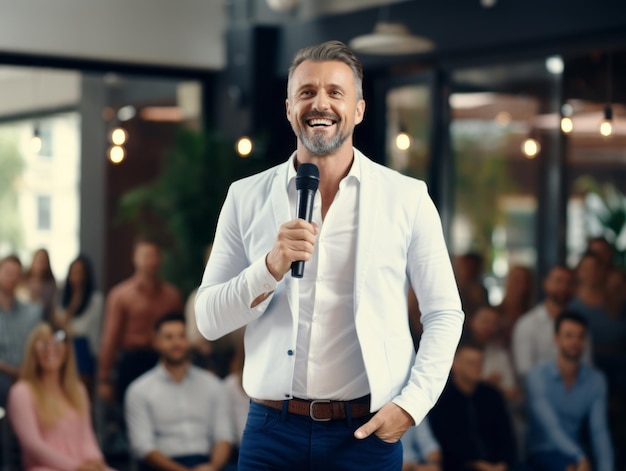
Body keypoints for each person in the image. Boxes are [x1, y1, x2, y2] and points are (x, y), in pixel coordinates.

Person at [194, 40, 464, 471]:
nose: (320, 103)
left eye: (335, 92)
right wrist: (268, 268)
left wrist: (412, 406)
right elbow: (207, 319)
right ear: (289, 108)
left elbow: (445, 313)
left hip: (365, 435)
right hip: (270, 432)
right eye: (307, 92)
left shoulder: (407, 198)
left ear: (358, 108)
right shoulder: (244, 197)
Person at [125, 313, 232, 471]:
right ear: (156, 342)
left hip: (208, 463)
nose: (176, 343)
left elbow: (224, 435)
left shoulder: (213, 385)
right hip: (163, 465)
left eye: (182, 336)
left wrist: (213, 467)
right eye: (169, 337)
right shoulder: (139, 390)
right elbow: (142, 446)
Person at [7, 322, 115, 471]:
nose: (51, 350)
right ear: (33, 352)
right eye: (44, 345)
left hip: (83, 463)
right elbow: (33, 445)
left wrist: (96, 460)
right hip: (45, 467)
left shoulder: (78, 390)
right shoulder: (22, 392)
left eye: (57, 344)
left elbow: (87, 435)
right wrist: (76, 467)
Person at [98, 236, 183, 406]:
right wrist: (104, 377)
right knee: (129, 413)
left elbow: (181, 333)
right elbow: (110, 337)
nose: (151, 261)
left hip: (163, 360)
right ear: (135, 259)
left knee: (164, 409)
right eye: (146, 256)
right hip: (131, 361)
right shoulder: (121, 295)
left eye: (154, 256)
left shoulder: (172, 295)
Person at [525, 310, 614, 471]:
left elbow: (599, 430)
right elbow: (551, 427)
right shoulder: (537, 377)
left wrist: (606, 468)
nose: (575, 342)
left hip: (577, 452)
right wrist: (579, 456)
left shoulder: (595, 380)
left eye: (580, 336)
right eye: (569, 335)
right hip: (542, 451)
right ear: (556, 339)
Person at [428, 341, 518, 471]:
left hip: (499, 465)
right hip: (460, 466)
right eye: (471, 363)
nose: (477, 367)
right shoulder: (441, 398)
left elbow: (506, 436)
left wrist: (503, 463)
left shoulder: (492, 395)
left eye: (480, 363)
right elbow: (446, 441)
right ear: (454, 364)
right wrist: (476, 464)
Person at [511, 264, 590, 378]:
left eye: (568, 282)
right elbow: (525, 371)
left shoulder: (580, 323)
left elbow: (587, 365)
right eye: (558, 281)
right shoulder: (526, 324)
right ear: (546, 283)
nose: (563, 287)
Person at [0, 255, 42, 409]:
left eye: (17, 274)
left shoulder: (31, 312)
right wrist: (14, 371)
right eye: (8, 272)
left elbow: (38, 346)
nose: (12, 278)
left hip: (28, 373)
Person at [56, 254, 104, 388]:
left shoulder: (95, 299)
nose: (77, 276)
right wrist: (73, 304)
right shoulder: (63, 297)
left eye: (80, 272)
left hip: (85, 349)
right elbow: (59, 323)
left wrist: (66, 326)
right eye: (73, 272)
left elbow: (81, 329)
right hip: (65, 346)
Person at [466, 306, 518, 402]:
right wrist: (486, 385)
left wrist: (492, 389)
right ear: (471, 321)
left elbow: (513, 394)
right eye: (484, 321)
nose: (488, 327)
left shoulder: (501, 355)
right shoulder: (455, 353)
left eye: (493, 323)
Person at [495, 266, 533, 348]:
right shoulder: (495, 312)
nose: (518, 284)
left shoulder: (532, 316)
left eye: (523, 280)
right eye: (515, 279)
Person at [18, 248, 58, 322]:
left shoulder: (50, 284)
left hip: (43, 319)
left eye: (43, 261)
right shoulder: (22, 280)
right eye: (38, 260)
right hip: (24, 319)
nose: (40, 264)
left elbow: (50, 308)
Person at [453, 252, 489, 318]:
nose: (467, 271)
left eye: (471, 267)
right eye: (465, 266)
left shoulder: (481, 292)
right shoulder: (452, 291)